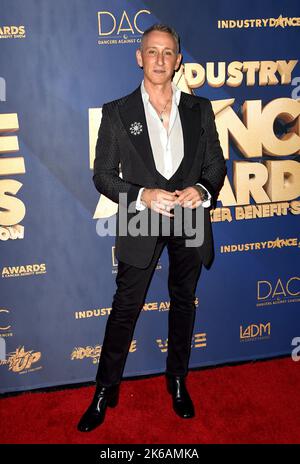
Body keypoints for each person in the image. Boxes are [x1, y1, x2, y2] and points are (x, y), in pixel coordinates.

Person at [77, 23, 226, 432]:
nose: (160, 59)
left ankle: (177, 380)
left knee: (183, 301)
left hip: (191, 218)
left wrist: (201, 187)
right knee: (125, 308)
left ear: (178, 61)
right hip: (141, 217)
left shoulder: (201, 110)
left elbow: (216, 165)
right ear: (139, 57)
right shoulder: (117, 111)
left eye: (168, 53)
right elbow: (103, 175)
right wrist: (142, 196)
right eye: (152, 52)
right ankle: (105, 389)